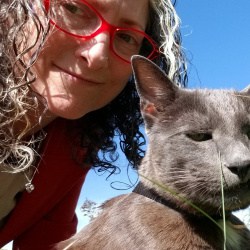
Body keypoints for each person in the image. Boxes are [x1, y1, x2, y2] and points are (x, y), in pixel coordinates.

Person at [0, 0, 187, 249]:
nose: (98, 55)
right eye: (73, 9)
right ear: (11, 10)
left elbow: (49, 241)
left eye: (127, 37)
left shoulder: (73, 145)